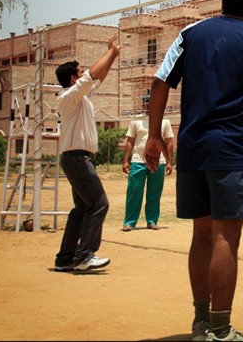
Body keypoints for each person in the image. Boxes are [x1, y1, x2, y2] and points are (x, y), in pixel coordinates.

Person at [144, 0, 243, 342]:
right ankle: (221, 330)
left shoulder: (190, 33)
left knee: (202, 235)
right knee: (226, 238)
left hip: (192, 148)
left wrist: (155, 136)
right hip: (230, 150)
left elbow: (159, 83)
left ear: (221, 2)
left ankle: (202, 324)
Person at [53, 33, 121, 272]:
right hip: (77, 159)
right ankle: (84, 255)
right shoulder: (68, 97)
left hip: (79, 159)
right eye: (80, 73)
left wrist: (115, 54)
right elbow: (92, 75)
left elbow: (97, 77)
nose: (84, 74)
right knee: (99, 203)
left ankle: (65, 258)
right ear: (73, 79)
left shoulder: (80, 98)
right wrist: (110, 51)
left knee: (81, 209)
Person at [121, 93, 175, 232]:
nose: (149, 105)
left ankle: (152, 221)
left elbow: (169, 142)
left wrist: (169, 161)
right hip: (138, 161)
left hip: (159, 162)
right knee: (134, 191)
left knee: (154, 193)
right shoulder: (136, 120)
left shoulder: (165, 121)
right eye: (146, 103)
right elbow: (130, 141)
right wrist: (126, 160)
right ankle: (129, 222)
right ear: (143, 104)